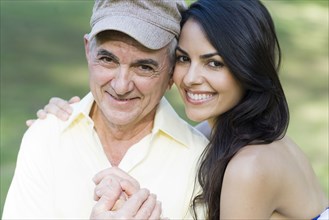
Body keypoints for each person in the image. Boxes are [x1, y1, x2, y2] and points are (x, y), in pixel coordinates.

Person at [35, 0, 329, 219]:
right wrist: (85, 114)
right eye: (184, 59)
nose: (190, 78)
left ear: (247, 68)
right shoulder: (215, 135)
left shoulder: (250, 166)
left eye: (214, 63)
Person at [2, 0, 209, 219]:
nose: (121, 86)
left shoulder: (199, 162)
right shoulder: (46, 137)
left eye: (144, 67)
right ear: (88, 51)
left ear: (171, 74)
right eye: (107, 59)